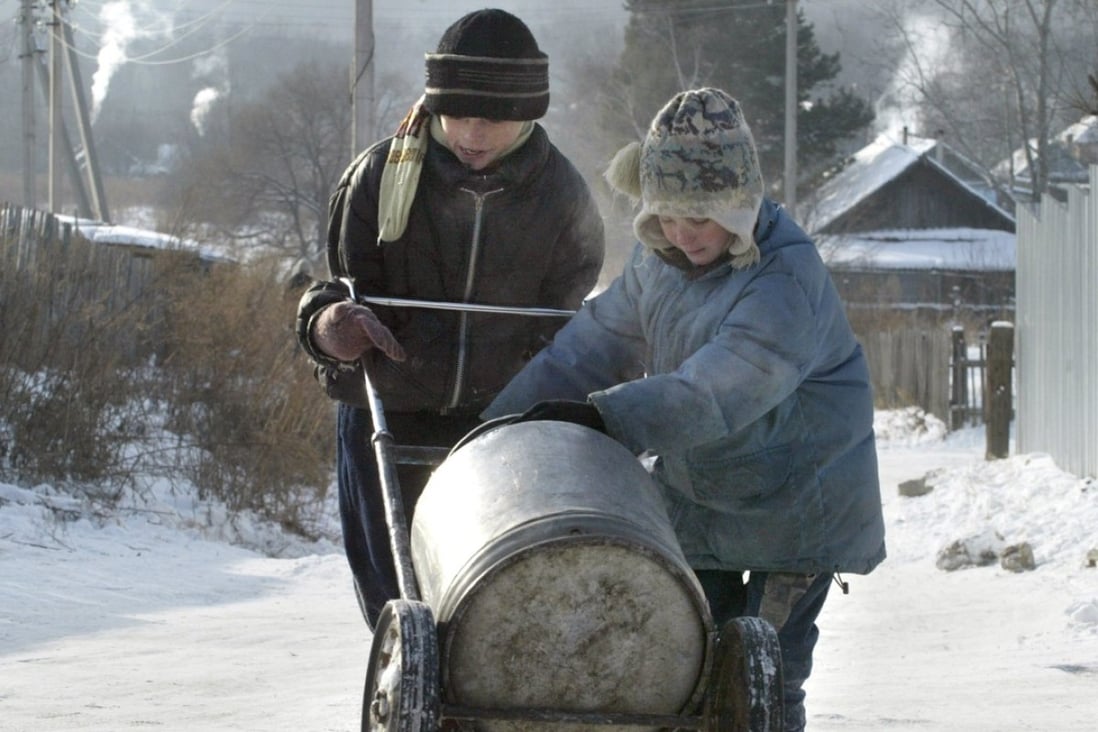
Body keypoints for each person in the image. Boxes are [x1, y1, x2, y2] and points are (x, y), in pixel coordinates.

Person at [482, 87, 885, 731]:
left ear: (737, 205)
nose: (679, 232)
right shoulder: (660, 262)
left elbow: (717, 391)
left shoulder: (783, 279)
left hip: (802, 508)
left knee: (762, 675)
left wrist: (606, 417)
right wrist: (498, 430)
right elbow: (589, 346)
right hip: (704, 498)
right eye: (666, 214)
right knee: (689, 667)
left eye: (697, 215)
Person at [294, 9, 605, 630]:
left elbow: (567, 317)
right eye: (458, 113)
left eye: (492, 117)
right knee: (400, 607)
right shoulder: (379, 178)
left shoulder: (562, 196)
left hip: (501, 429)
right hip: (385, 414)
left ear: (529, 114)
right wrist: (331, 326)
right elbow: (335, 290)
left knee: (487, 609)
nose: (472, 131)